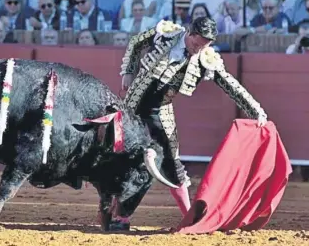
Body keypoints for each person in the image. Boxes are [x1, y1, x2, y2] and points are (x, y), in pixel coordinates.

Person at [114, 17, 268, 230]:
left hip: (160, 113)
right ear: (190, 32)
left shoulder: (206, 59)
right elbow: (136, 42)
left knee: (170, 165)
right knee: (120, 159)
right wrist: (128, 71)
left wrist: (256, 110)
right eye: (198, 42)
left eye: (206, 43)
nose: (200, 48)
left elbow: (230, 84)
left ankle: (186, 217)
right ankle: (113, 212)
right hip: (132, 106)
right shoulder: (166, 33)